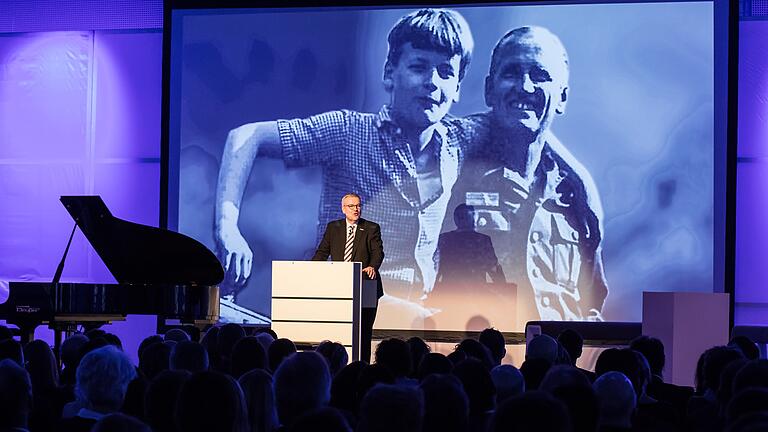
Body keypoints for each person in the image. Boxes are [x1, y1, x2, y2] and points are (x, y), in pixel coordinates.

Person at [214, 8, 475, 325]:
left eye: (446, 72)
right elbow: (247, 135)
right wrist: (227, 227)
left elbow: (532, 133)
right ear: (389, 73)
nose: (432, 82)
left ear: (458, 87)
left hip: (411, 330)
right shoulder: (348, 132)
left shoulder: (459, 140)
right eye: (419, 67)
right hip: (339, 316)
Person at [447, 26, 608, 327]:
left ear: (562, 98)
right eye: (511, 73)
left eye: (540, 76)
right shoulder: (451, 172)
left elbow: (592, 299)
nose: (525, 86)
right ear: (488, 90)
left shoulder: (577, 197)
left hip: (563, 369)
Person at [313, 193, 384, 363]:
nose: (356, 209)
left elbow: (378, 252)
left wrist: (372, 266)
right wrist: (312, 269)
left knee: (364, 331)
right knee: (340, 330)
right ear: (343, 209)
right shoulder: (333, 228)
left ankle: (362, 366)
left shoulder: (371, 228)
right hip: (340, 286)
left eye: (358, 205)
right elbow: (323, 252)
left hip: (366, 286)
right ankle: (339, 364)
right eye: (352, 206)